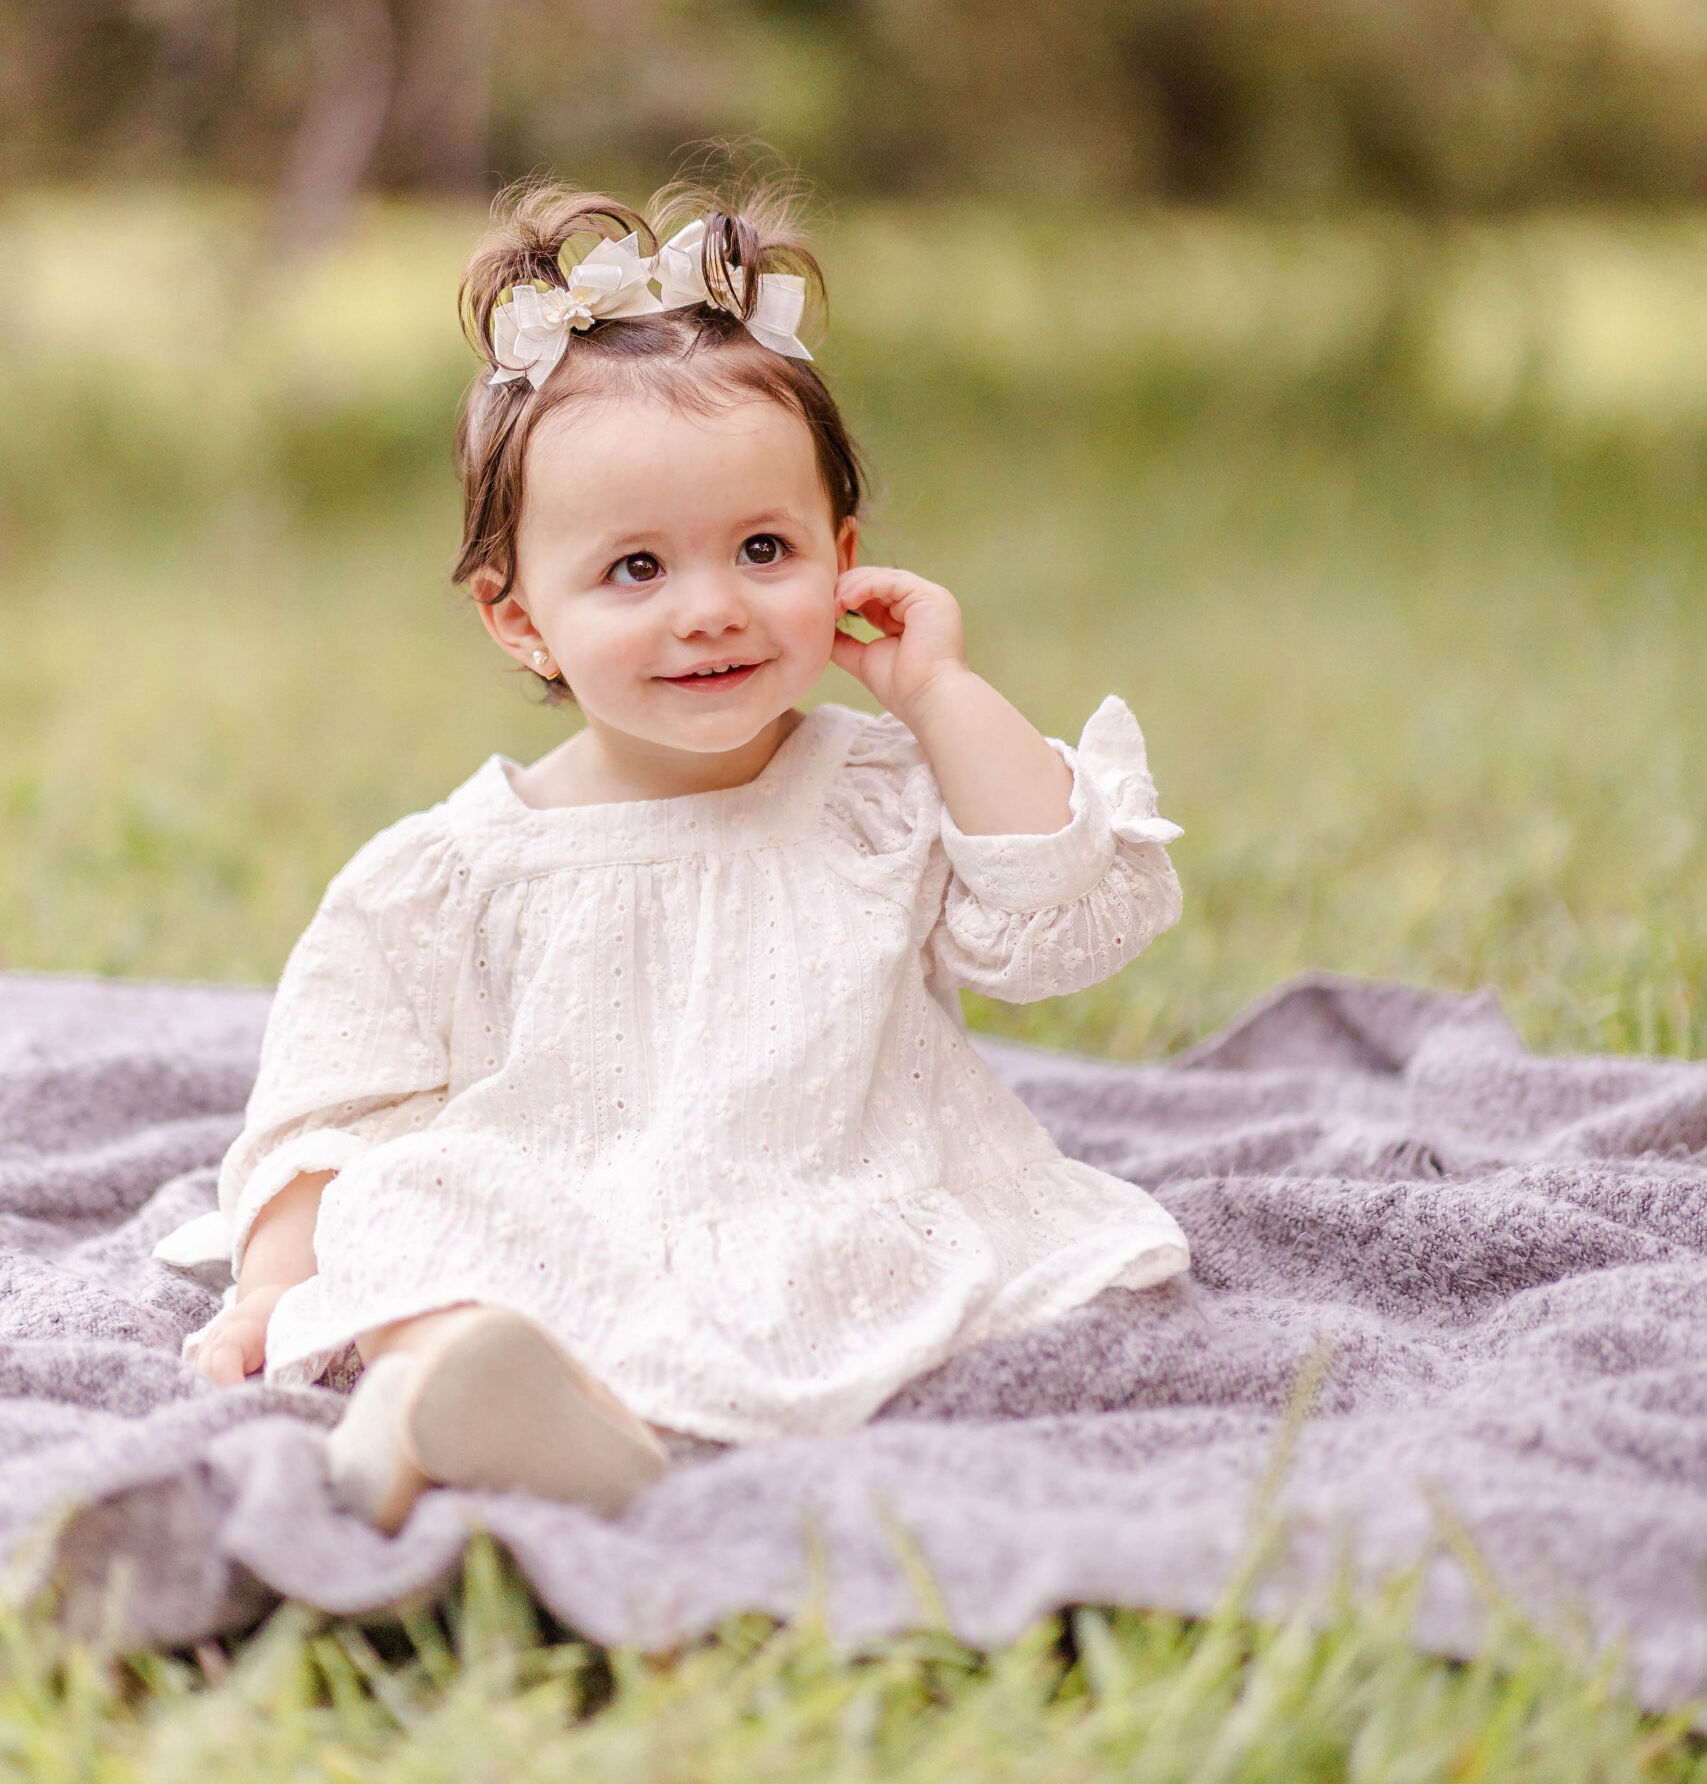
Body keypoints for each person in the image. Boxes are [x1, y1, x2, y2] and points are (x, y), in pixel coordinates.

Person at [158, 182, 1189, 1531]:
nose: (711, 609)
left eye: (765, 548)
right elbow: (328, 1107)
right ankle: (456, 1391)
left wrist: (938, 692)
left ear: (845, 558)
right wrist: (268, 1282)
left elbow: (1068, 919)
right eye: (635, 570)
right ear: (520, 620)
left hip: (828, 1182)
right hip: (554, 1198)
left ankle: (504, 1416)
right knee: (410, 1213)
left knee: (881, 1265)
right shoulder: (451, 875)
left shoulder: (880, 794)